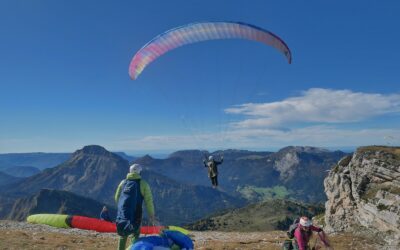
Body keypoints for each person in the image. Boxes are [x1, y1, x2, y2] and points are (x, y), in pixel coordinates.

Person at [115, 163, 156, 250]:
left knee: (123, 234)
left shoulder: (123, 183)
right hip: (136, 213)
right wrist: (151, 214)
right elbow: (149, 201)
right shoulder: (143, 184)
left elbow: (117, 197)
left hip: (122, 213)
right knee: (135, 233)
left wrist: (122, 208)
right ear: (139, 172)